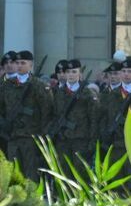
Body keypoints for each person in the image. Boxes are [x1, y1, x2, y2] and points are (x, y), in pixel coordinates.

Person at [1, 49, 51, 178]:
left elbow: (47, 113)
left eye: (23, 63)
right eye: (17, 62)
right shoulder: (7, 86)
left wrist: (43, 137)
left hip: (31, 138)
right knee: (14, 175)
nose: (19, 65)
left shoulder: (39, 85)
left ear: (31, 65)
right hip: (12, 137)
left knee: (31, 175)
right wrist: (4, 127)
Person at [48, 58, 98, 168]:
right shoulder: (58, 93)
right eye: (68, 72)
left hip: (80, 141)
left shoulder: (87, 94)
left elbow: (94, 120)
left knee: (80, 175)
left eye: (74, 72)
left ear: (80, 73)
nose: (70, 75)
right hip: (62, 141)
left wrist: (92, 145)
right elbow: (53, 115)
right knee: (63, 174)